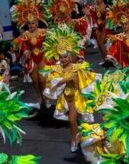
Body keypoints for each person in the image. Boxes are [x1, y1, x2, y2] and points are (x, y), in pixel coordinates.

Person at [41, 24, 99, 152]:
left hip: (75, 96)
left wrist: (72, 79)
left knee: (73, 120)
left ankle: (76, 138)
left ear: (70, 55)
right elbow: (52, 83)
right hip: (64, 97)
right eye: (61, 57)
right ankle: (76, 136)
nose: (63, 60)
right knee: (72, 121)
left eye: (66, 57)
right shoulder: (56, 69)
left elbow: (80, 84)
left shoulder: (77, 67)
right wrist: (65, 79)